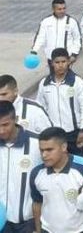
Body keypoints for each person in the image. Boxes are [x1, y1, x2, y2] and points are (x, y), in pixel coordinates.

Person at [31, 127, 83, 233]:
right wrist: (39, 230)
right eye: (41, 150)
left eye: (49, 150)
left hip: (82, 229)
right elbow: (37, 203)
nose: (44, 155)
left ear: (63, 147)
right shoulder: (36, 173)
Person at [35, 48, 83, 156]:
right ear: (51, 63)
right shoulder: (45, 83)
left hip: (73, 132)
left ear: (68, 62)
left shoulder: (77, 82)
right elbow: (40, 108)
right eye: (57, 62)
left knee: (79, 162)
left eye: (63, 62)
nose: (60, 65)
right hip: (53, 134)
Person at [0, 100, 42, 233]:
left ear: (16, 119)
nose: (1, 130)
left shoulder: (38, 145)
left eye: (5, 125)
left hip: (28, 223)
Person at [31, 0, 81, 66]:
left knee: (64, 76)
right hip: (51, 58)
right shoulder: (46, 21)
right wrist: (34, 51)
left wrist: (74, 54)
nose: (62, 11)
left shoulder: (72, 22)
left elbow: (77, 38)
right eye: (59, 9)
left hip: (65, 58)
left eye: (64, 8)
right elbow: (40, 37)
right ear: (53, 9)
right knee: (53, 76)